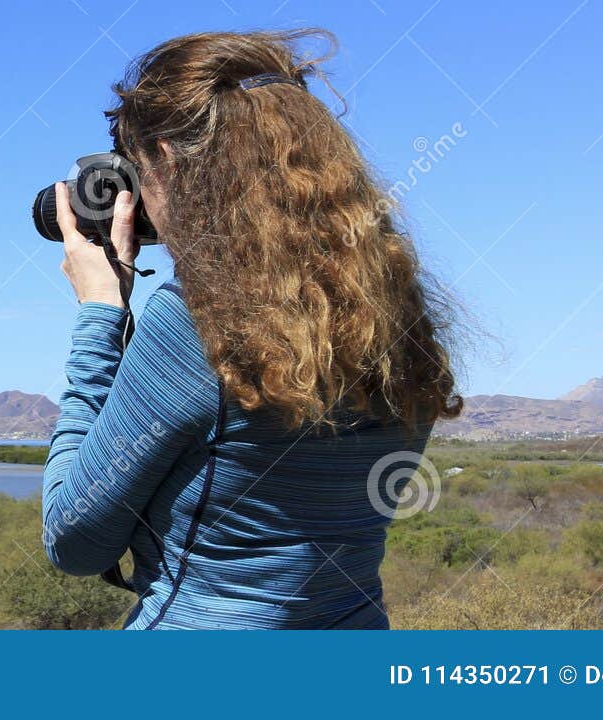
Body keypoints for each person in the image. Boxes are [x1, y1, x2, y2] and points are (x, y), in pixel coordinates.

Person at [42, 29, 462, 629]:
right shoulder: (393, 310)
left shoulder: (196, 322)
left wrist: (101, 310)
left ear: (164, 159)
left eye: (134, 173)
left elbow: (75, 539)